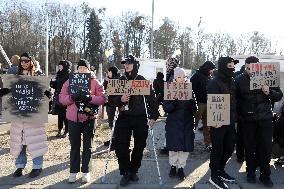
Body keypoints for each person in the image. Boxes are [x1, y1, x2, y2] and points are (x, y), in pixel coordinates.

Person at [108, 55, 159, 187]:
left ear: (135, 64)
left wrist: (153, 116)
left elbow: (152, 100)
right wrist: (121, 99)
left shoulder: (142, 81)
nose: (126, 65)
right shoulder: (119, 80)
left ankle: (134, 170)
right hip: (124, 117)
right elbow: (111, 100)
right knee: (121, 145)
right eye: (125, 63)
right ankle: (125, 171)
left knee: (140, 145)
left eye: (129, 63)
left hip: (140, 117)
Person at [235, 56, 283, 187]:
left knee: (266, 148)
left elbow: (279, 95)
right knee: (250, 148)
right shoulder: (238, 80)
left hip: (266, 119)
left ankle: (265, 175)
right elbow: (234, 101)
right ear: (245, 67)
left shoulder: (268, 76)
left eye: (255, 67)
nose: (252, 71)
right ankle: (250, 173)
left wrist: (269, 91)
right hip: (248, 120)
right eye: (249, 68)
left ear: (259, 66)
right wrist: (239, 116)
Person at [0, 52, 49, 178]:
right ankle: (19, 166)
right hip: (18, 118)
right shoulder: (15, 77)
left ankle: (37, 167)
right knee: (20, 144)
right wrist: (4, 92)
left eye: (26, 61)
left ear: (31, 62)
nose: (24, 63)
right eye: (22, 61)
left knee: (35, 142)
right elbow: (10, 93)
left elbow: (46, 93)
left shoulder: (38, 76)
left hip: (34, 118)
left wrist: (48, 95)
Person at [59, 59, 106, 183]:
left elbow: (102, 98)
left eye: (84, 68)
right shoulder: (69, 82)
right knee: (74, 146)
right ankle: (73, 171)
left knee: (88, 146)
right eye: (80, 68)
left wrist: (90, 98)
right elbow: (62, 98)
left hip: (89, 118)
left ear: (89, 69)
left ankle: (86, 171)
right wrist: (71, 97)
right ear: (77, 70)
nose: (82, 70)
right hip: (73, 118)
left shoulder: (95, 82)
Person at [207, 56, 238, 189]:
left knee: (229, 147)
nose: (233, 69)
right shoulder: (214, 82)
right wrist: (214, 120)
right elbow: (212, 101)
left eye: (233, 66)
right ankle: (214, 175)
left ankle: (221, 170)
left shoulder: (232, 81)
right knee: (218, 149)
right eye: (230, 66)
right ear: (224, 67)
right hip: (218, 122)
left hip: (231, 120)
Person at [164, 67, 197, 180]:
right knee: (173, 147)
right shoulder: (170, 89)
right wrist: (174, 101)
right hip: (173, 123)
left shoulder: (189, 89)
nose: (182, 79)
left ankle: (181, 168)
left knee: (184, 148)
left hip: (187, 123)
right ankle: (173, 166)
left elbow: (195, 109)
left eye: (183, 77)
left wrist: (192, 103)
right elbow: (166, 108)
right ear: (175, 78)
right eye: (179, 77)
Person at [190, 61, 216, 152]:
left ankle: (208, 143)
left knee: (208, 125)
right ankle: (189, 142)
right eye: (211, 69)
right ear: (207, 68)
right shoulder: (196, 76)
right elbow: (190, 90)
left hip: (208, 103)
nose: (212, 71)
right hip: (198, 103)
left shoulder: (210, 77)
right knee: (194, 123)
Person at [160, 57, 180, 155]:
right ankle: (168, 145)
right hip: (171, 103)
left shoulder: (175, 74)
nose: (170, 65)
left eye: (172, 63)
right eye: (169, 63)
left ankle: (170, 146)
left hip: (174, 104)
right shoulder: (168, 75)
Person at [50, 60, 72, 138]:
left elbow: (69, 87)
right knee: (60, 114)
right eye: (59, 66)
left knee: (65, 115)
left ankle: (67, 130)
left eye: (60, 66)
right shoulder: (59, 74)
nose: (59, 67)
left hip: (66, 98)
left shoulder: (69, 75)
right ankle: (60, 129)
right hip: (58, 96)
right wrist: (52, 84)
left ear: (65, 66)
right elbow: (57, 85)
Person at [103, 66, 120, 146]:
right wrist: (106, 81)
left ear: (112, 72)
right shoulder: (109, 79)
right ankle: (114, 138)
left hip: (114, 105)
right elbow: (105, 89)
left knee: (114, 123)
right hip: (109, 104)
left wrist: (108, 81)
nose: (107, 73)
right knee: (111, 123)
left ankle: (115, 140)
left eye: (109, 72)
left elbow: (114, 91)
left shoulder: (118, 79)